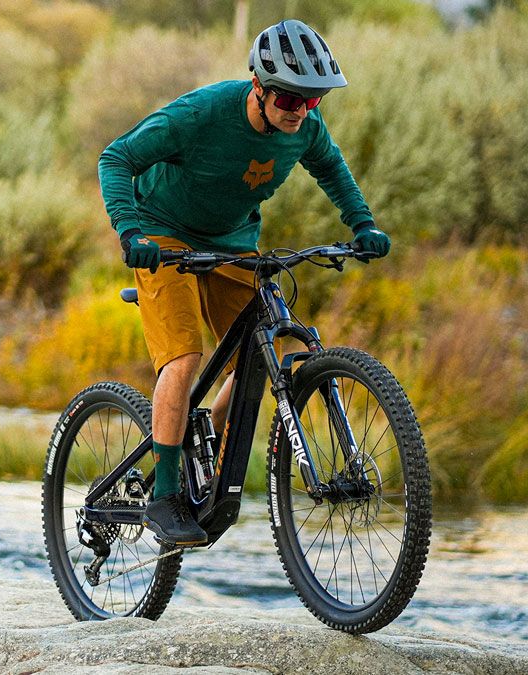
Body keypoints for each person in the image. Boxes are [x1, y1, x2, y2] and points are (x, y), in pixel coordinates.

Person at [97, 19, 391, 546]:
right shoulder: (200, 114)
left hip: (231, 243)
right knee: (184, 359)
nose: (298, 111)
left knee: (278, 345)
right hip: (162, 235)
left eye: (311, 102)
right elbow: (116, 157)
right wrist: (129, 230)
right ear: (258, 85)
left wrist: (362, 223)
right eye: (287, 99)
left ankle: (200, 435)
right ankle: (165, 497)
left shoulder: (303, 129)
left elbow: (333, 170)